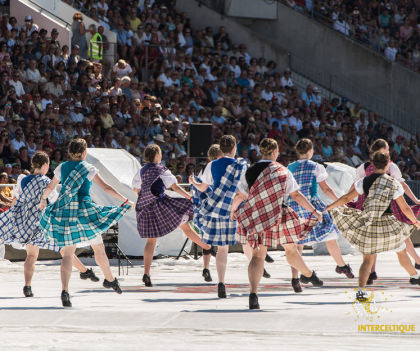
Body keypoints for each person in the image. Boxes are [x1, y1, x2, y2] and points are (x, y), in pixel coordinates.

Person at [39, 139, 133, 307]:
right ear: (84, 153)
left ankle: (65, 291)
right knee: (98, 248)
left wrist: (42, 200)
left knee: (67, 253)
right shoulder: (89, 169)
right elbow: (107, 188)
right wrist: (125, 199)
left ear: (69, 152)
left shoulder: (62, 167)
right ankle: (110, 279)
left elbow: (51, 187)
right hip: (84, 212)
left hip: (65, 212)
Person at [231, 138, 323, 309]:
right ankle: (308, 274)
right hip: (279, 215)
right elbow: (296, 195)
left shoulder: (250, 171)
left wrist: (232, 211)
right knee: (291, 249)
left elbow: (240, 195)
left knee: (258, 255)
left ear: (261, 151)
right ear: (274, 152)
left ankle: (253, 294)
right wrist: (314, 211)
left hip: (257, 216)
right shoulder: (282, 171)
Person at [0, 151, 100, 297]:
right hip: (42, 222)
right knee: (64, 250)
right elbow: (55, 201)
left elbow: (15, 201)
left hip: (25, 221)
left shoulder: (22, 179)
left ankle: (27, 286)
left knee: (31, 255)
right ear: (45, 165)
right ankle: (85, 271)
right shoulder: (46, 182)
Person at [325, 151, 420, 302]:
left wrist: (329, 207)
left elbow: (346, 198)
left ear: (373, 164)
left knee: (367, 260)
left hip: (369, 225)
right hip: (389, 226)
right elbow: (405, 208)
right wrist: (415, 221)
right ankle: (415, 276)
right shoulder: (393, 183)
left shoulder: (364, 181)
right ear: (388, 164)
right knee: (401, 252)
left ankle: (361, 291)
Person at [133, 144, 212, 287]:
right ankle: (207, 247)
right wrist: (189, 197)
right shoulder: (161, 169)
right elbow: (174, 186)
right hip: (162, 207)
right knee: (186, 227)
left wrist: (146, 199)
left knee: (151, 241)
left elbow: (136, 189)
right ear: (157, 155)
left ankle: (146, 273)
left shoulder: (141, 171)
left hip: (147, 208)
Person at [348, 139, 420, 284]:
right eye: (387, 149)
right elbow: (402, 185)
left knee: (371, 241)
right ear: (384, 152)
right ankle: (416, 265)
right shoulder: (391, 166)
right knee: (402, 237)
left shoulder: (364, 167)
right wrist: (415, 201)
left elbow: (355, 185)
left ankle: (371, 272)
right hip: (389, 205)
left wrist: (351, 201)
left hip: (367, 206)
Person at [286, 139, 354, 293]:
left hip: (294, 205)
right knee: (330, 234)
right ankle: (341, 265)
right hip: (311, 203)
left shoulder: (290, 167)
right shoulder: (316, 166)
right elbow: (326, 189)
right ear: (310, 150)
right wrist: (339, 201)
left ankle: (296, 278)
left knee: (297, 243)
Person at [188, 135, 247, 298]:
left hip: (215, 209)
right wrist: (234, 208)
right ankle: (256, 275)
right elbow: (243, 192)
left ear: (221, 148)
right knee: (235, 247)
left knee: (220, 248)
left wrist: (192, 182)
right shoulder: (241, 165)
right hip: (232, 209)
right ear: (234, 148)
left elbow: (202, 188)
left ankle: (221, 282)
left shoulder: (212, 165)